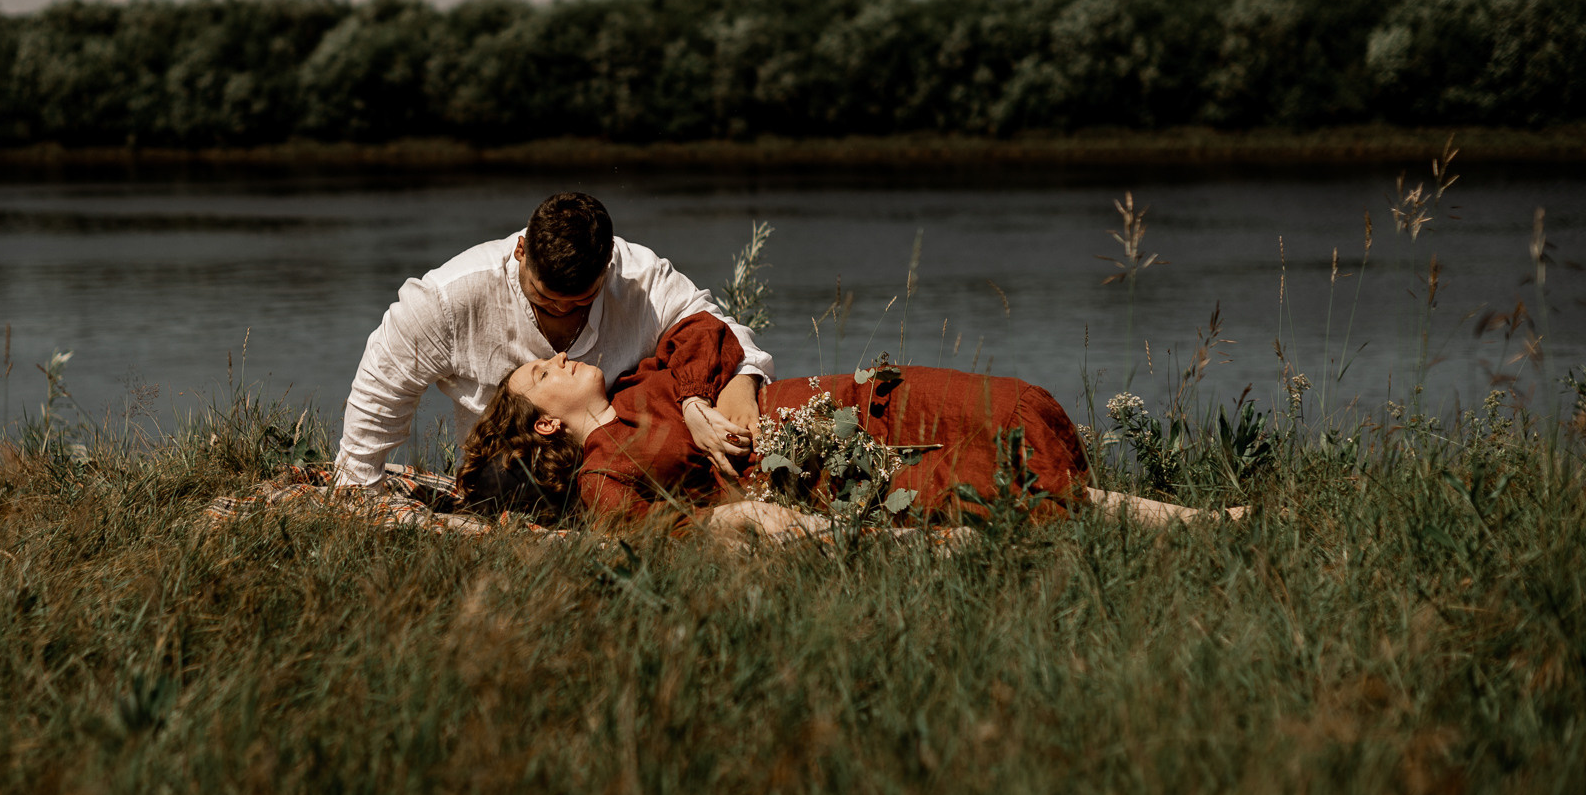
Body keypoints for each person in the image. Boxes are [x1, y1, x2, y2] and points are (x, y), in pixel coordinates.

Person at [459, 310, 1238, 532]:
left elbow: (702, 332)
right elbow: (685, 520)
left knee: (1011, 405)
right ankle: (1202, 524)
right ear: (544, 427)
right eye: (540, 373)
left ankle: (1192, 519)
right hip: (829, 465)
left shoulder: (637, 382)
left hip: (856, 397)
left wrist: (700, 398)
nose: (557, 358)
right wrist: (692, 433)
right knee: (990, 474)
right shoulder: (603, 477)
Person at [334, 193, 776, 490]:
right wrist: (359, 491)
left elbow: (715, 328)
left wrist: (740, 385)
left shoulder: (639, 278)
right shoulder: (447, 299)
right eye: (546, 298)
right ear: (520, 252)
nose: (563, 312)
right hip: (506, 489)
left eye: (581, 300)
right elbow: (382, 391)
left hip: (630, 480)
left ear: (608, 266)